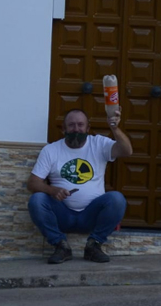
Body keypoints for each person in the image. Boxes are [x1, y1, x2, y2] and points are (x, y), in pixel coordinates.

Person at [27, 108, 132, 264]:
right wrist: (52, 190)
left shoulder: (99, 143)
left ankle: (94, 245)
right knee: (37, 200)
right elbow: (32, 182)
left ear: (88, 128)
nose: (76, 129)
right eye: (71, 125)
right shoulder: (51, 150)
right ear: (63, 129)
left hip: (91, 215)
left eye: (80, 125)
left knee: (117, 199)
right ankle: (60, 246)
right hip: (62, 214)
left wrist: (114, 128)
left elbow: (126, 151)